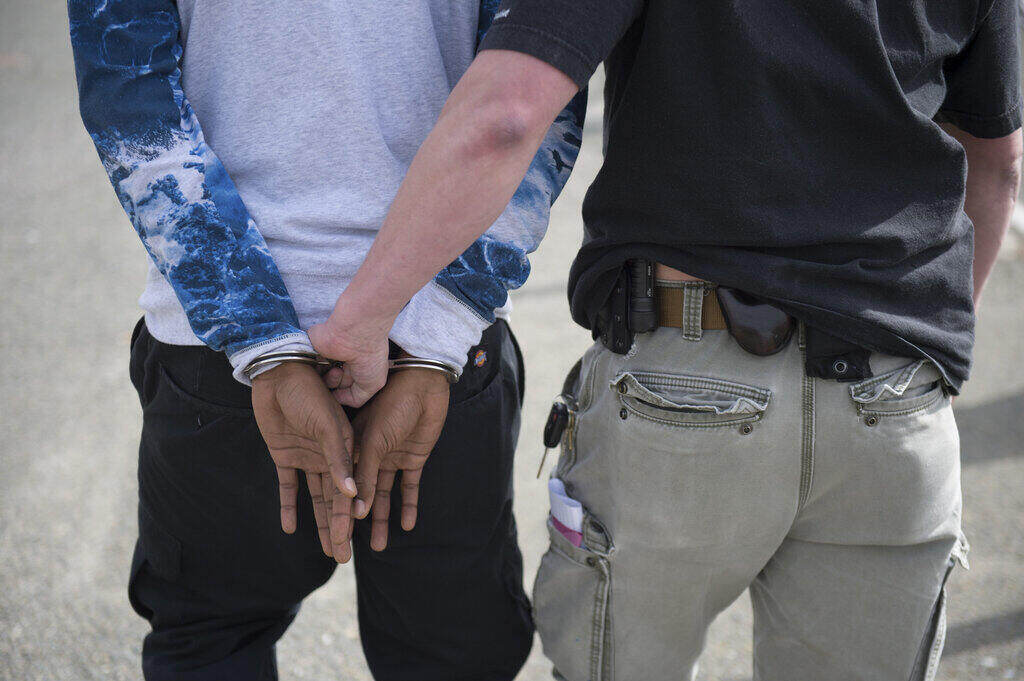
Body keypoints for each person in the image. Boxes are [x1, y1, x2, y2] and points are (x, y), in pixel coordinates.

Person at [313, 0, 1023, 679]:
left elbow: (508, 112)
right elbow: (997, 161)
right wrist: (923, 361)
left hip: (683, 379)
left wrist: (360, 322)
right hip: (896, 393)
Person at [67, 1, 585, 678]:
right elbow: (539, 102)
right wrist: (439, 328)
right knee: (451, 657)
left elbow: (130, 101)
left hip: (220, 355)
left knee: (213, 643)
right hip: (436, 352)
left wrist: (262, 339)